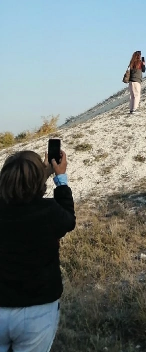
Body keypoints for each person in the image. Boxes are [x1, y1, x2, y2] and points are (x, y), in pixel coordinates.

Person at [0, 149, 76, 351]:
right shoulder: (50, 211)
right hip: (38, 311)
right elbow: (68, 220)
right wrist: (59, 178)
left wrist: (37, 173)